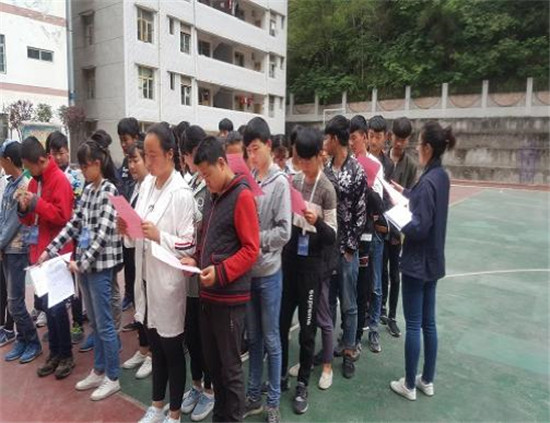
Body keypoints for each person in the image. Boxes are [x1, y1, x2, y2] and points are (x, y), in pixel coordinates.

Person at [120, 123, 197, 423]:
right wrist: (127, 229)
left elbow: (190, 243)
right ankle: (156, 405)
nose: (148, 161)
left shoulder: (181, 193)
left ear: (169, 154)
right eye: (146, 155)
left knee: (172, 349)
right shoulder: (147, 186)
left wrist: (159, 236)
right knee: (155, 345)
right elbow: (138, 231)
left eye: (153, 155)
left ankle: (174, 414)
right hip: (146, 279)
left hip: (168, 283)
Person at [181, 136, 260, 423]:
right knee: (214, 367)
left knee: (230, 370)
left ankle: (232, 418)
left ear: (222, 163)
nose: (206, 180)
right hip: (208, 297)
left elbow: (251, 249)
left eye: (207, 174)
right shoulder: (214, 197)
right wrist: (195, 259)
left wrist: (221, 272)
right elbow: (207, 238)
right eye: (201, 176)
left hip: (229, 300)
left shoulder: (242, 196)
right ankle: (220, 417)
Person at [40, 130, 123, 400]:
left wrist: (82, 263)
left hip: (100, 267)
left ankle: (113, 376)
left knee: (105, 324)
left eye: (86, 166)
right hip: (86, 268)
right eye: (82, 166)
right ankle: (98, 370)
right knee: (96, 324)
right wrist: (50, 250)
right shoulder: (88, 190)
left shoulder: (109, 190)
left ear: (97, 163)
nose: (83, 171)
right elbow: (74, 225)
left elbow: (103, 234)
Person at [390, 121, 455, 401]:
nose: (416, 148)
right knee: (428, 323)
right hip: (433, 261)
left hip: (417, 262)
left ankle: (408, 384)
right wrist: (405, 193)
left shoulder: (428, 182)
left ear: (428, 147)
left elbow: (419, 226)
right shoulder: (440, 176)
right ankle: (426, 379)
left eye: (419, 143)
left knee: (414, 324)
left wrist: (398, 216)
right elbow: (424, 202)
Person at [279, 127, 337, 414]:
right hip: (290, 260)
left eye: (307, 160)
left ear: (319, 156)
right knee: (281, 324)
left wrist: (317, 222)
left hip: (312, 266)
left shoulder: (327, 189)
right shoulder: (295, 181)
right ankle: (279, 375)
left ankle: (302, 382)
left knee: (307, 329)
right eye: (298, 160)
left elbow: (332, 235)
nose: (302, 165)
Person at [242, 118, 291, 423]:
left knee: (271, 339)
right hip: (250, 273)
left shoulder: (280, 182)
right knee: (254, 339)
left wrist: (254, 239)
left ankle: (272, 401)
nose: (252, 155)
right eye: (248, 150)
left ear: (269, 146)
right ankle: (252, 396)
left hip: (270, 273)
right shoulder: (250, 179)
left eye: (256, 149)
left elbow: (285, 231)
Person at [16, 136, 74, 370]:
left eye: (29, 167)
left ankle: (66, 355)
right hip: (39, 253)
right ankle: (55, 354)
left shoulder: (59, 180)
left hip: (57, 253)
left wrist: (37, 203)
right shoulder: (34, 182)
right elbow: (30, 220)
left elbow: (63, 217)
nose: (28, 172)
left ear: (41, 160)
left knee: (57, 308)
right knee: (47, 309)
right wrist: (23, 208)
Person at [324, 115, 366, 379]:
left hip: (348, 250)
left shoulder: (356, 170)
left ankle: (349, 350)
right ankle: (328, 349)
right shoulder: (325, 169)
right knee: (328, 302)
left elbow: (361, 212)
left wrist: (350, 248)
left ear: (335, 139)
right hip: (328, 249)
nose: (324, 143)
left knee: (349, 303)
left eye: (327, 138)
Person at [178, 124, 216, 422]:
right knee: (191, 335)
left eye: (185, 155)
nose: (185, 161)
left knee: (207, 338)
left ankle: (211, 391)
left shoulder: (211, 184)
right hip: (188, 273)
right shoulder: (189, 183)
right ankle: (196, 384)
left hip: (207, 274)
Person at [0, 141, 41, 360]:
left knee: (15, 301)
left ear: (8, 160)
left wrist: (0, 243)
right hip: (7, 249)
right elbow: (2, 216)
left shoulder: (24, 185)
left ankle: (32, 341)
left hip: (17, 249)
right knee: (12, 301)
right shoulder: (10, 185)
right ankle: (22, 340)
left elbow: (14, 222)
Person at [45, 130, 86, 345]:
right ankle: (58, 325)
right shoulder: (45, 179)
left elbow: (77, 210)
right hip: (54, 239)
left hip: (74, 237)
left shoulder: (76, 178)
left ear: (68, 152)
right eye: (54, 153)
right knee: (56, 282)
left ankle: (78, 321)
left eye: (62, 152)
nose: (59, 157)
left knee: (74, 282)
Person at [120, 140, 154, 380]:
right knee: (138, 302)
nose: (132, 166)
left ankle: (152, 353)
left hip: (149, 255)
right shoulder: (135, 188)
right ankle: (143, 348)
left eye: (136, 160)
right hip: (134, 251)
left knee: (150, 305)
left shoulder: (152, 188)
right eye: (129, 161)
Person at [381, 117, 418, 337]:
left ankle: (393, 316)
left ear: (408, 140)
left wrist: (399, 230)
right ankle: (381, 309)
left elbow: (411, 199)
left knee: (395, 275)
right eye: (397, 138)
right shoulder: (382, 160)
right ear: (391, 136)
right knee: (381, 273)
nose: (399, 143)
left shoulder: (411, 165)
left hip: (397, 229)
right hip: (380, 226)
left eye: (403, 139)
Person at [365, 114, 394, 354]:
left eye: (378, 137)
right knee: (359, 283)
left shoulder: (388, 165)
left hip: (378, 231)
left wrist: (382, 221)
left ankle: (374, 329)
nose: (374, 141)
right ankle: (356, 329)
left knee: (376, 284)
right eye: (371, 136)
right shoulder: (359, 161)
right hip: (360, 228)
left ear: (385, 138)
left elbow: (388, 197)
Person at [117, 117, 143, 312]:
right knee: (128, 261)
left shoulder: (143, 164)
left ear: (136, 137)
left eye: (126, 139)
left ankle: (136, 297)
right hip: (126, 223)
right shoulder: (123, 166)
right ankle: (129, 295)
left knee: (137, 264)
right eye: (121, 140)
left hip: (140, 226)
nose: (124, 144)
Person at [0, 161, 15, 348]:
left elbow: (7, 218)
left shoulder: (8, 183)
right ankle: (2, 326)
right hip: (3, 242)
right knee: (1, 288)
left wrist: (1, 243)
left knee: (10, 290)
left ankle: (10, 328)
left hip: (8, 245)